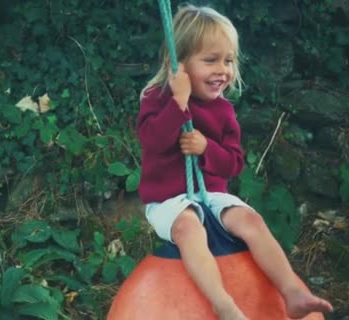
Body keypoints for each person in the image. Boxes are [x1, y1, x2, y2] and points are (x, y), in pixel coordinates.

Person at [137, 4, 333, 320]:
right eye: (210, 60)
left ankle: (293, 292)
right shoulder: (157, 99)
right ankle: (223, 304)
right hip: (168, 202)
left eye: (228, 60)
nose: (222, 70)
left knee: (250, 221)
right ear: (179, 65)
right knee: (189, 227)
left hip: (211, 196)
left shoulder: (224, 111)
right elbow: (153, 141)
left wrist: (206, 148)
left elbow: (233, 165)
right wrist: (179, 103)